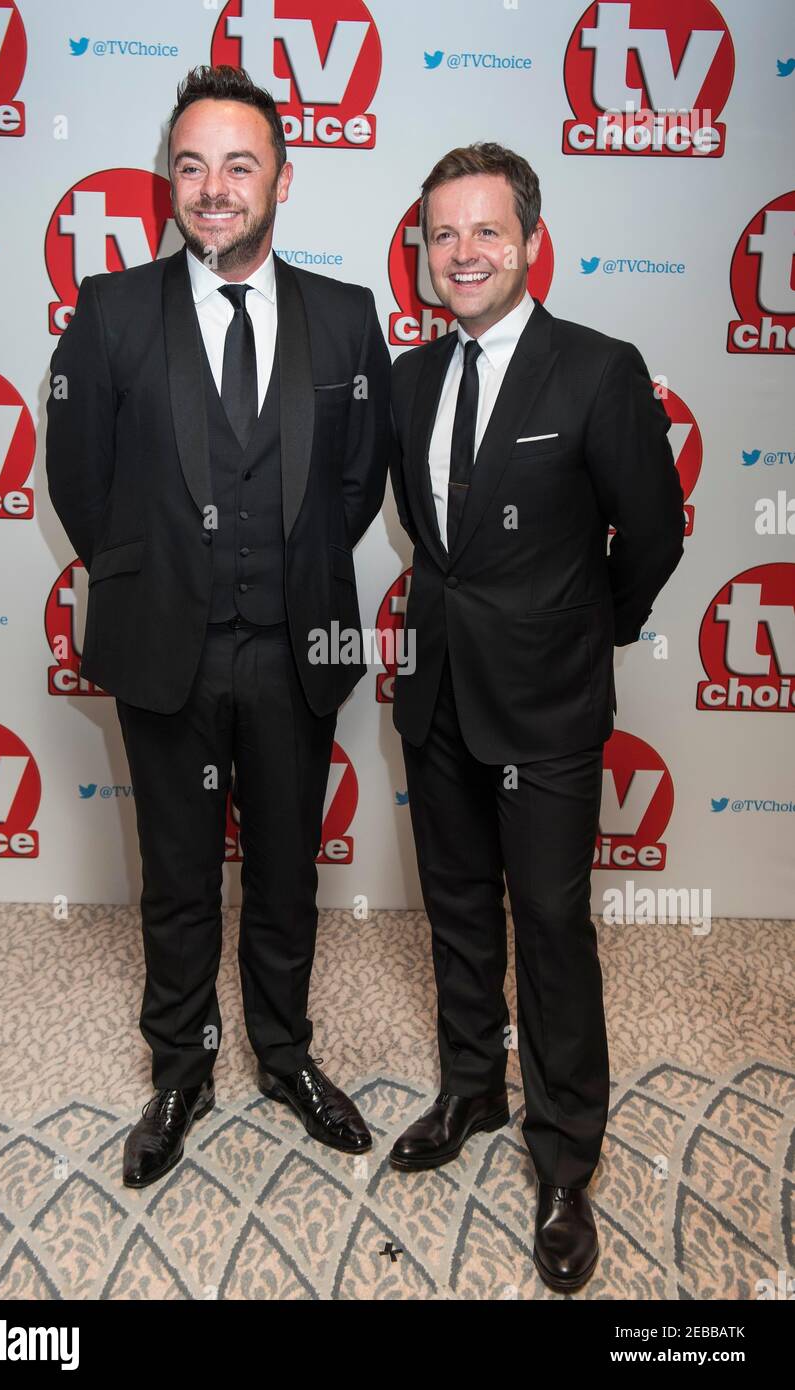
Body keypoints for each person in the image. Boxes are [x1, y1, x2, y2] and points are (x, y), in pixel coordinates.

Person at [46, 64, 390, 1188]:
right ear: (171, 184)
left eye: (238, 165)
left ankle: (285, 1056)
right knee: (181, 876)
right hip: (166, 650)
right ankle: (182, 1070)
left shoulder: (346, 317)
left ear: (282, 179)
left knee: (287, 870)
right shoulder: (108, 313)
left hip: (299, 648)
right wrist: (163, 573)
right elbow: (83, 486)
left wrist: (282, 568)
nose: (212, 188)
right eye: (190, 165)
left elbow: (353, 487)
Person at [387, 142, 684, 1292]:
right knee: (458, 907)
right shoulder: (413, 380)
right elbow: (431, 539)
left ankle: (566, 1158)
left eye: (485, 232)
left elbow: (650, 534)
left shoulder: (599, 371)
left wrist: (580, 629)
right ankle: (472, 1086)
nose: (463, 254)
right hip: (438, 692)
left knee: (552, 931)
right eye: (443, 235)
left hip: (551, 704)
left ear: (528, 242)